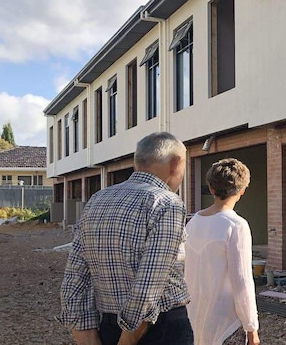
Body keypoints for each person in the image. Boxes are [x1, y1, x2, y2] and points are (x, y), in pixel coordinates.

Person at [59, 132, 192, 345]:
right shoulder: (167, 202)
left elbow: (76, 275)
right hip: (159, 328)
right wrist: (128, 338)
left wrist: (87, 336)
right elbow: (151, 278)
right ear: (175, 164)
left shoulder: (97, 200)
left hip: (108, 324)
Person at [185, 158, 260, 345]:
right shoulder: (236, 225)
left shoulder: (193, 222)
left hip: (193, 319)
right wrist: (251, 327)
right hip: (226, 323)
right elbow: (242, 281)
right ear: (242, 190)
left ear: (211, 188)